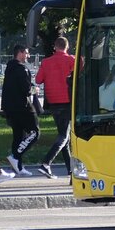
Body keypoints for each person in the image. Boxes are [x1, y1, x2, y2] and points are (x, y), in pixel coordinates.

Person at [34, 36, 75, 178]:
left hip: (53, 102)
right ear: (67, 47)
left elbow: (38, 80)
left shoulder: (46, 62)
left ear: (55, 47)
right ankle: (46, 163)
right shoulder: (71, 60)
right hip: (68, 101)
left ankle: (70, 170)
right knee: (64, 136)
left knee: (64, 136)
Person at [0, 44, 41, 179]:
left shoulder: (9, 68)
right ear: (21, 53)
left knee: (18, 136)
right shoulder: (22, 69)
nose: (28, 56)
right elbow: (26, 89)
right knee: (35, 133)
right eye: (27, 53)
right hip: (22, 107)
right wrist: (34, 90)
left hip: (9, 108)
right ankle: (15, 156)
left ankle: (19, 167)